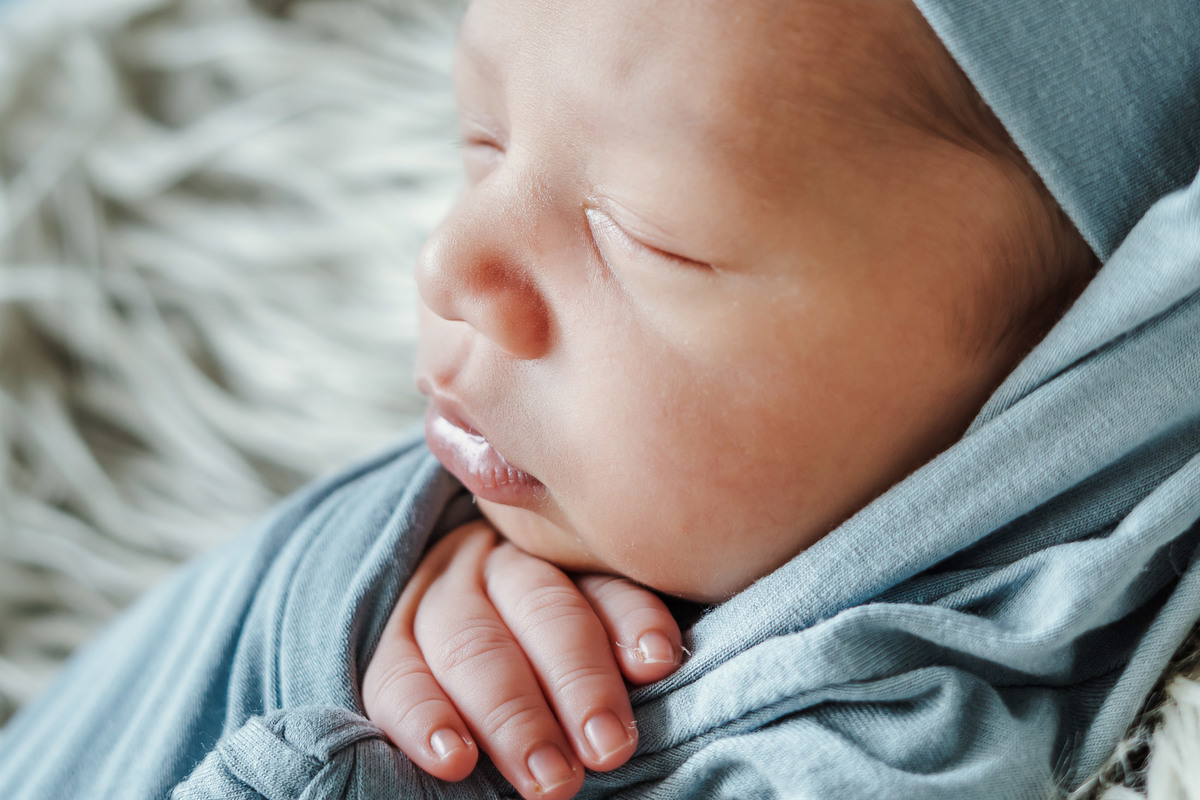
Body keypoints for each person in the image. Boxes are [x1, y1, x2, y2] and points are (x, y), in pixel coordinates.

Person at [1, 0, 1198, 798]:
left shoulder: (888, 750)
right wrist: (367, 594)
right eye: (482, 141)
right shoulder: (518, 517)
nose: (448, 261)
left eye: (643, 237)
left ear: (1072, 366)